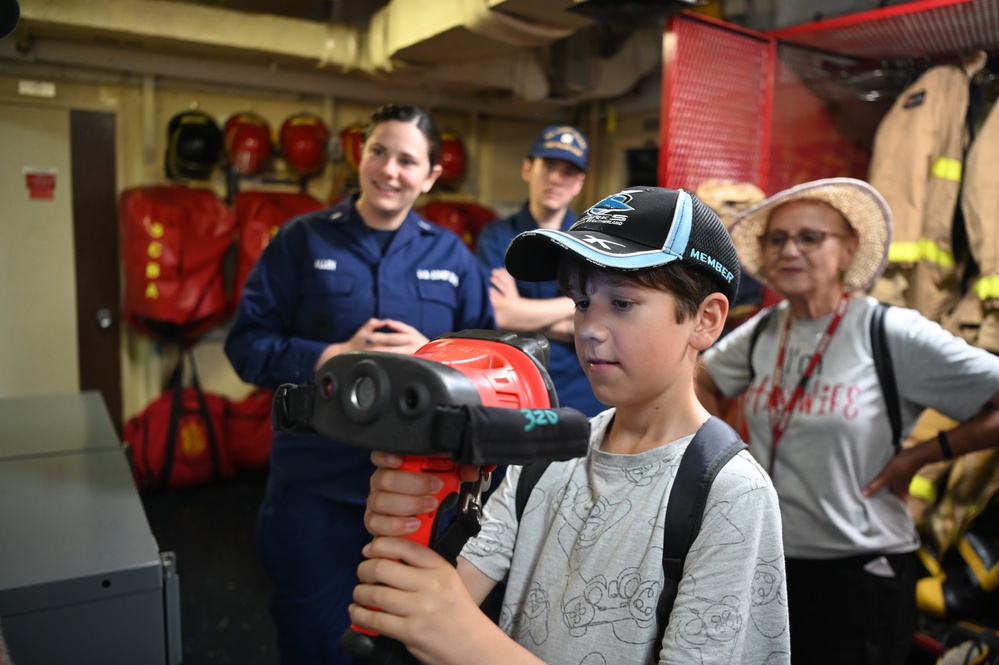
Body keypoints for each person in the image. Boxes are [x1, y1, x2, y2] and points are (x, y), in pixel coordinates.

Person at [350, 186, 790, 664]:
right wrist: (421, 517)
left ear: (706, 320)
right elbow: (448, 592)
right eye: (582, 302)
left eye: (621, 303)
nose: (589, 329)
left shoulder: (731, 493)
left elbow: (456, 630)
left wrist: (470, 644)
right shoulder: (550, 448)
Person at [224, 103, 495, 665]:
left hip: (419, 497)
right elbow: (245, 346)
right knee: (313, 637)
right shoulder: (302, 241)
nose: (389, 170)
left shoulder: (452, 256)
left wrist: (432, 353)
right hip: (315, 487)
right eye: (378, 151)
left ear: (430, 175)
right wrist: (332, 355)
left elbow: (489, 366)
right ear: (360, 154)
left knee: (408, 642)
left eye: (406, 159)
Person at [695, 177, 999, 665]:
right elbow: (701, 376)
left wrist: (919, 457)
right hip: (772, 561)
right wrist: (719, 454)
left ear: (848, 249)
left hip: (861, 571)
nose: (790, 249)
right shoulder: (765, 331)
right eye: (778, 239)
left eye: (810, 237)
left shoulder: (890, 331)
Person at [474, 124, 603, 416]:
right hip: (511, 386)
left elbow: (597, 322)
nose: (556, 179)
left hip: (580, 391)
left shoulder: (592, 243)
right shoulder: (495, 237)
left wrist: (519, 310)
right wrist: (575, 304)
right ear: (527, 169)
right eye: (548, 166)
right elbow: (498, 314)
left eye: (568, 172)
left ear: (579, 182)